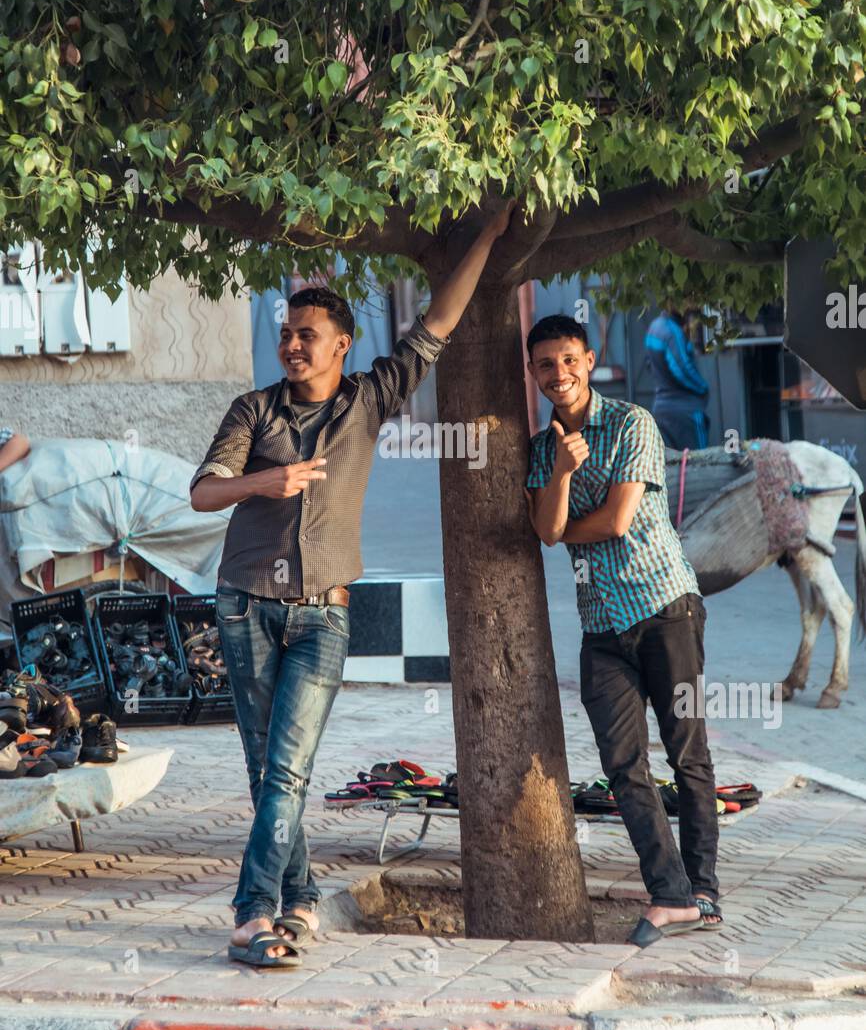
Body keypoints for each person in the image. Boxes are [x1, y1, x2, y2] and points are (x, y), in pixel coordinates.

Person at [190, 201, 516, 966]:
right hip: (243, 609)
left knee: (289, 766)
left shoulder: (368, 399)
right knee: (267, 767)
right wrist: (263, 483)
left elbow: (437, 321)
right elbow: (203, 493)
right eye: (286, 333)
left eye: (308, 335)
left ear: (342, 345)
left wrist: (491, 236)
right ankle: (298, 899)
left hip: (324, 618)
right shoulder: (253, 409)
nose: (292, 345)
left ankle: (250, 912)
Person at [522, 314, 721, 948]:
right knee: (623, 763)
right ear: (533, 373)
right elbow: (547, 527)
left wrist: (557, 522)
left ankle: (705, 889)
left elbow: (613, 522)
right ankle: (671, 895)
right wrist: (558, 473)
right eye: (546, 365)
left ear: (590, 358)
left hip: (666, 610)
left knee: (686, 752)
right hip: (601, 627)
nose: (560, 374)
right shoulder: (539, 447)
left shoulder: (633, 423)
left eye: (569, 360)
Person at [644, 308, 709, 449]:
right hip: (686, 412)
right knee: (697, 464)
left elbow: (649, 365)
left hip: (661, 410)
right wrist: (702, 388)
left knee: (669, 466)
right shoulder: (672, 331)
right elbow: (681, 368)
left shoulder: (654, 327)